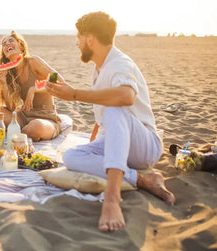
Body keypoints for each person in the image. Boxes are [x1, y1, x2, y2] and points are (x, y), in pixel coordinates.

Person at [45, 12, 175, 232]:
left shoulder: (120, 63)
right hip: (121, 145)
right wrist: (92, 145)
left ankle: (112, 200)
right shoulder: (100, 68)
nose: (77, 43)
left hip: (145, 146)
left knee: (115, 110)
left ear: (89, 39)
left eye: (79, 37)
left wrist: (74, 94)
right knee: (72, 156)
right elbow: (102, 119)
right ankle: (144, 180)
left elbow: (126, 97)